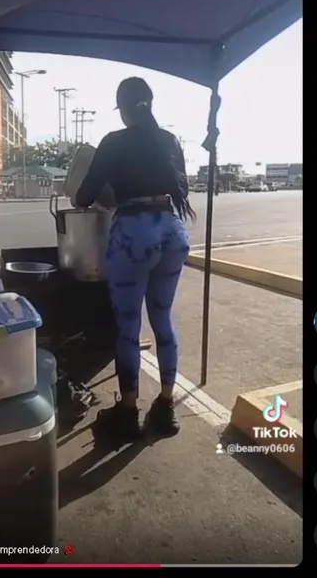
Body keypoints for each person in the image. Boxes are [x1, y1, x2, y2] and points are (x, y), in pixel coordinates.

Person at [73, 77, 195, 442]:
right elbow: (182, 189)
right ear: (150, 104)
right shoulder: (169, 140)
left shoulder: (113, 142)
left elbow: (83, 196)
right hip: (171, 232)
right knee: (163, 320)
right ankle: (166, 406)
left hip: (132, 235)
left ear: (123, 109)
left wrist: (101, 191)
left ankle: (128, 412)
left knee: (128, 328)